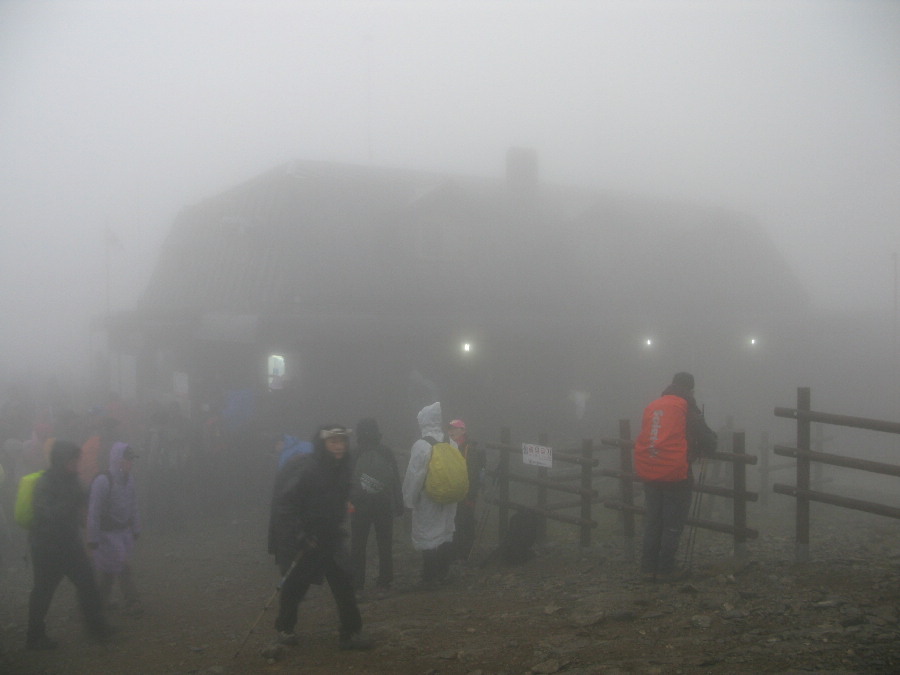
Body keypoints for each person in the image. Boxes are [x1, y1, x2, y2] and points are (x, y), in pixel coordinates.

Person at [267, 425, 373, 651]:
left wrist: (356, 497)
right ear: (322, 443)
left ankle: (350, 633)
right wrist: (300, 535)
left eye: (342, 441)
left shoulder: (342, 467)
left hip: (331, 536)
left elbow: (345, 492)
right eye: (333, 441)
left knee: (344, 583)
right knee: (295, 585)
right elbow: (286, 506)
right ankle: (285, 629)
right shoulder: (307, 468)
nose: (339, 446)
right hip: (306, 538)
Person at [26, 440, 112, 650]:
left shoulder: (73, 480)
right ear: (60, 461)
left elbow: (82, 506)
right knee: (43, 591)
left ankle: (97, 628)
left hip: (69, 543)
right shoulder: (45, 483)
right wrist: (72, 503)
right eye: (73, 460)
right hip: (47, 547)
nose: (76, 464)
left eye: (77, 459)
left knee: (87, 584)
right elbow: (45, 514)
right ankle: (35, 636)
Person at [633, 372, 715, 582]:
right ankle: (665, 569)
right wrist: (710, 444)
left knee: (654, 520)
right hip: (675, 473)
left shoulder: (655, 405)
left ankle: (647, 566)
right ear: (690, 389)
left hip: (650, 470)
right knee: (672, 522)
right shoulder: (686, 406)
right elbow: (707, 438)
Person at [402, 402, 457, 587]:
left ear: (423, 422)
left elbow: (415, 475)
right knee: (445, 530)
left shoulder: (421, 445)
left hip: (429, 498)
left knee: (428, 534)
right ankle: (444, 571)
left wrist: (409, 500)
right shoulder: (451, 441)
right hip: (449, 496)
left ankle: (429, 576)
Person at [348, 418, 403, 593]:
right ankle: (385, 580)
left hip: (359, 506)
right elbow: (395, 479)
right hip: (384, 504)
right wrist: (399, 504)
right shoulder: (386, 452)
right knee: (385, 543)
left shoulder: (354, 453)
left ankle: (357, 583)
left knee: (358, 545)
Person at [87, 442, 142, 613]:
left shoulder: (129, 480)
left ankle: (100, 603)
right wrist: (93, 538)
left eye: (131, 460)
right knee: (122, 566)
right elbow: (94, 511)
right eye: (127, 459)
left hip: (122, 532)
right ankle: (132, 601)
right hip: (107, 534)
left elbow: (133, 505)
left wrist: (135, 527)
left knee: (109, 571)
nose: (130, 463)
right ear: (118, 460)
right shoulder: (103, 481)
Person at [447, 419, 484, 561]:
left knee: (465, 521)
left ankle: (465, 553)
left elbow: (473, 473)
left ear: (463, 430)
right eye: (450, 428)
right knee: (455, 522)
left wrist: (470, 495)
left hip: (466, 493)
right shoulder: (451, 447)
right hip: (454, 492)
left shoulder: (469, 449)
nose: (451, 431)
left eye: (455, 428)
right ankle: (456, 551)